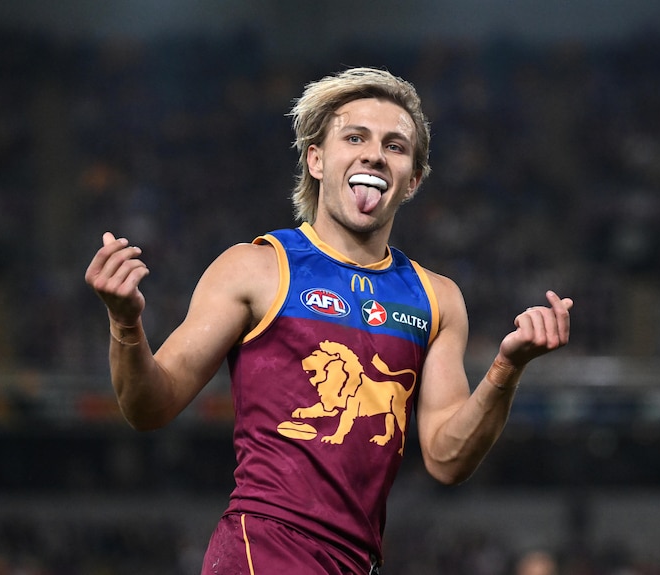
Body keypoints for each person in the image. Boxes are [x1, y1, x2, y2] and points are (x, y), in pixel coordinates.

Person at [85, 67, 573, 575]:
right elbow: (149, 407)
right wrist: (126, 324)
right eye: (354, 137)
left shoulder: (437, 299)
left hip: (355, 562)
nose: (373, 154)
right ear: (316, 159)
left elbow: (447, 459)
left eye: (395, 146)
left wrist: (506, 368)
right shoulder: (257, 268)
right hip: (265, 549)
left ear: (413, 181)